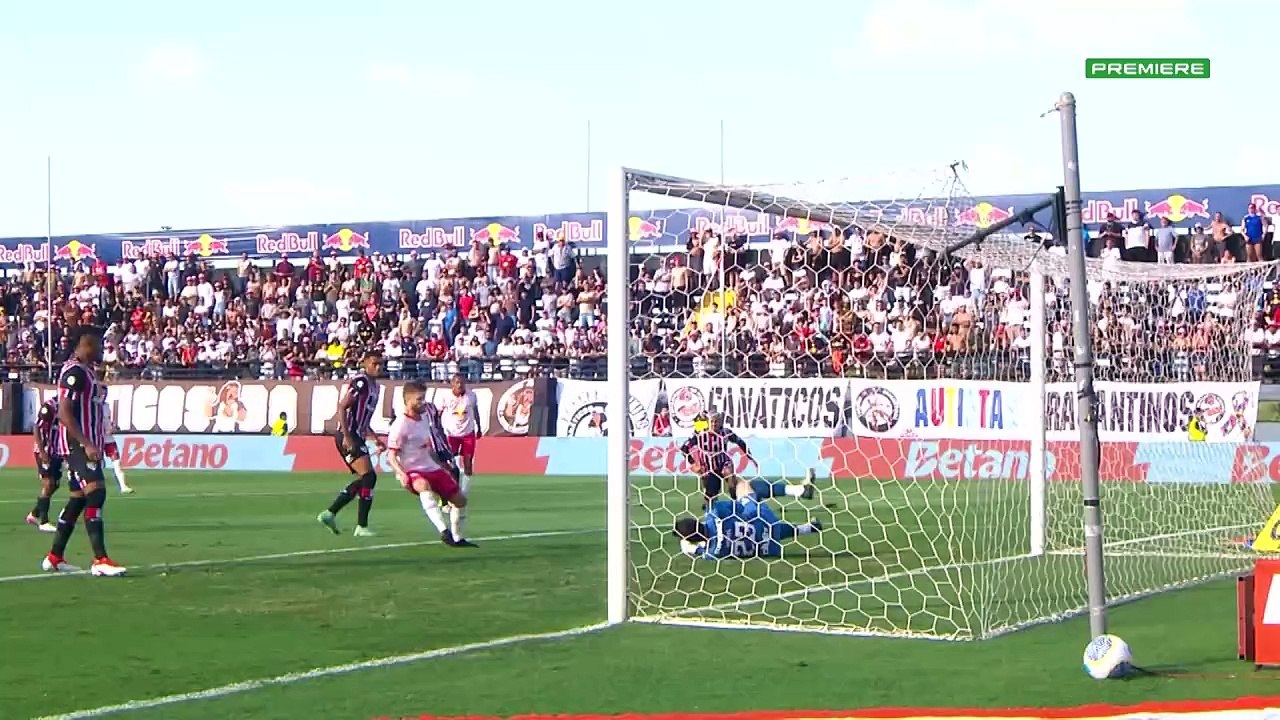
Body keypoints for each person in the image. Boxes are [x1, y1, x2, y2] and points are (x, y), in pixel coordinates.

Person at [42, 326, 127, 576]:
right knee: (96, 492)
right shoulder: (75, 372)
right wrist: (86, 443)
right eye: (99, 344)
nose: (101, 349)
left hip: (85, 444)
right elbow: (64, 411)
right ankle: (100, 559)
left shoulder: (86, 372)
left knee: (78, 499)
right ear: (86, 343)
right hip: (76, 444)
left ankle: (55, 556)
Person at [386, 381, 477, 548]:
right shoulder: (400, 425)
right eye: (419, 399)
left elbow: (427, 448)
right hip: (413, 471)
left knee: (460, 501)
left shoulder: (424, 418)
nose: (423, 403)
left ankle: (458, 538)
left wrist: (442, 464)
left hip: (430, 466)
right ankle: (443, 531)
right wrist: (401, 473)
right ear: (408, 401)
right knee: (423, 485)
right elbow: (390, 455)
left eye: (424, 398)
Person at [317, 350, 386, 537]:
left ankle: (330, 513)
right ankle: (360, 526)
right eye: (374, 363)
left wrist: (374, 438)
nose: (377, 367)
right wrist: (347, 436)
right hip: (347, 434)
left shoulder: (375, 387)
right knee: (369, 477)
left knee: (367, 479)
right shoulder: (361, 382)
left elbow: (364, 418)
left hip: (358, 434)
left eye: (380, 363)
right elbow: (342, 406)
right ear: (364, 363)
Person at [673, 477, 822, 560]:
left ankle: (809, 528)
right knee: (744, 485)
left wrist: (692, 549)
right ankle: (800, 490)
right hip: (763, 520)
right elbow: (736, 507)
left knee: (763, 533)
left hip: (767, 549)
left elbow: (702, 551)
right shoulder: (715, 514)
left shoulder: (714, 552)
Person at [679, 412, 757, 504]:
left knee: (729, 474)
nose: (714, 424)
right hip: (708, 468)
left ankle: (735, 501)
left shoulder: (726, 432)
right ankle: (710, 507)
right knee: (711, 493)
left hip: (723, 463)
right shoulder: (700, 433)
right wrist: (693, 463)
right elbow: (684, 448)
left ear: (720, 423)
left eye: (716, 422)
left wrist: (750, 457)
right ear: (707, 422)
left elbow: (741, 443)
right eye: (711, 422)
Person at [438, 374, 481, 500]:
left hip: (468, 433)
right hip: (451, 433)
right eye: (457, 382)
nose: (460, 385)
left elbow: (475, 410)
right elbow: (438, 414)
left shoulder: (471, 396)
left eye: (462, 382)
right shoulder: (446, 397)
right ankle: (450, 490)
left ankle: (464, 493)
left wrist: (479, 425)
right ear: (452, 384)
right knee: (450, 463)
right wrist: (438, 430)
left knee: (468, 463)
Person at [26, 397, 62, 533]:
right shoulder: (50, 406)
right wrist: (42, 451)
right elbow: (37, 427)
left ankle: (34, 514)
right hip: (46, 451)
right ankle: (44, 521)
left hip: (57, 451)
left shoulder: (72, 404)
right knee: (48, 483)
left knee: (55, 485)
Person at [97, 385, 133, 495]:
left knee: (117, 461)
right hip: (98, 438)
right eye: (102, 393)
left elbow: (108, 421)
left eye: (105, 393)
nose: (104, 395)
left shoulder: (107, 406)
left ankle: (123, 486)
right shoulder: (94, 406)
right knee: (97, 463)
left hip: (108, 439)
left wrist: (112, 427)